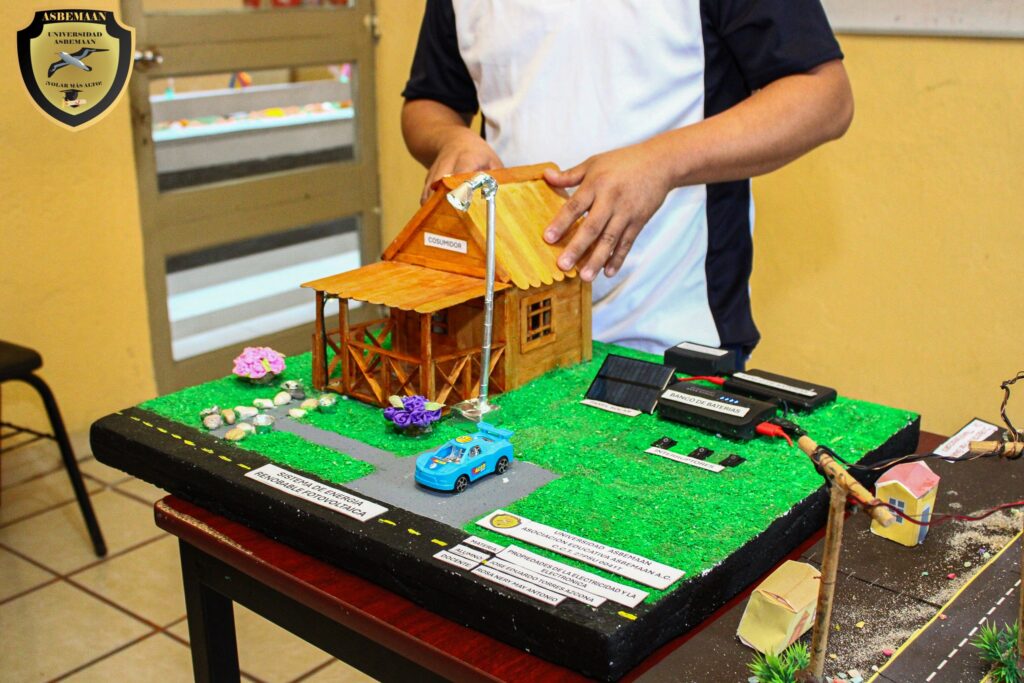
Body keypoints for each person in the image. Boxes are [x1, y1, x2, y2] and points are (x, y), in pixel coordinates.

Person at [401, 0, 853, 357]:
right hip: (505, 328)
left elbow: (825, 96)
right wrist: (449, 139)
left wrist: (662, 161)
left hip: (672, 337)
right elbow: (429, 102)